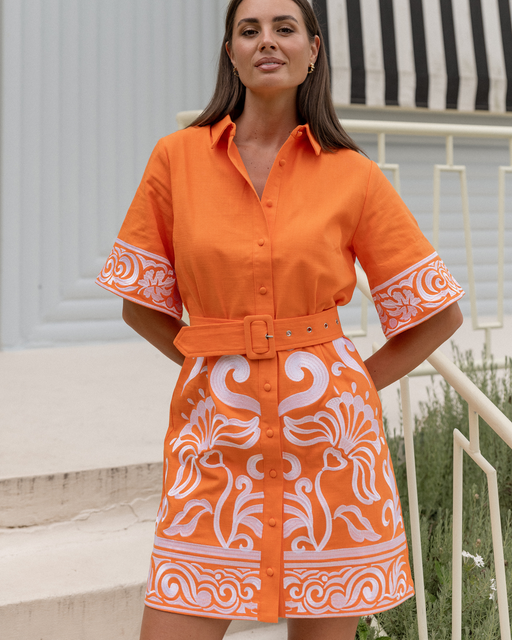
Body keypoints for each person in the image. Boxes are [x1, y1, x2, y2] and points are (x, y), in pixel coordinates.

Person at [96, 0, 464, 638]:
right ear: (232, 52)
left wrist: (353, 382)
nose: (267, 41)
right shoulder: (177, 159)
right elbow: (141, 303)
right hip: (214, 442)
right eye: (250, 30)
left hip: (333, 452)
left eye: (284, 28)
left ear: (312, 50)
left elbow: (437, 314)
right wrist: (213, 365)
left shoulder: (353, 175)